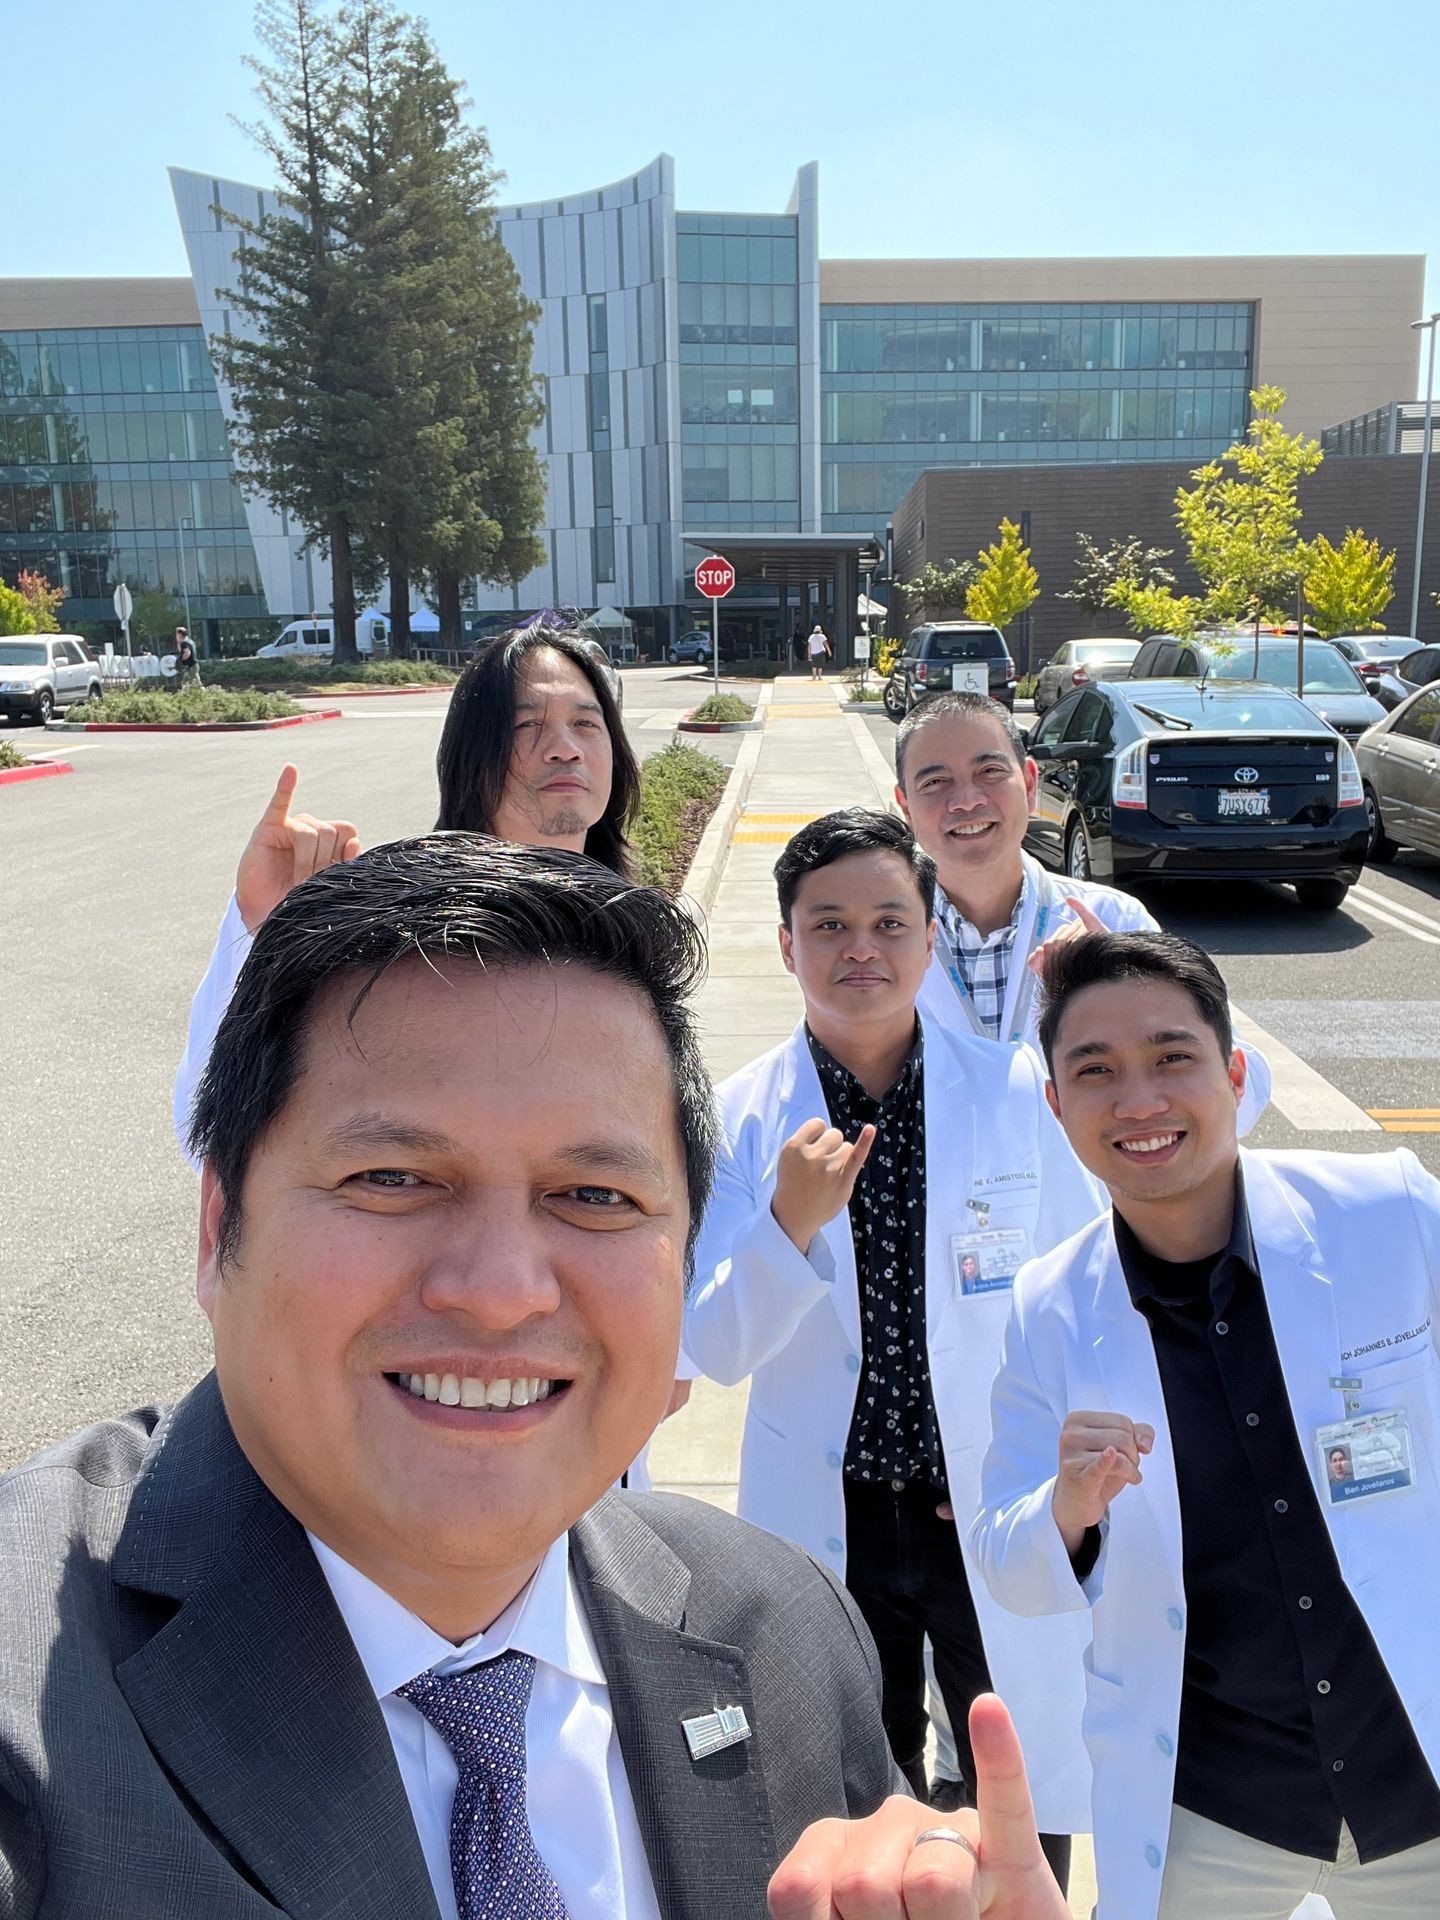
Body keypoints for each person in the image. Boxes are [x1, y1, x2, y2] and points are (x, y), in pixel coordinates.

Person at [0, 836, 1069, 1920]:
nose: (504, 1291)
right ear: (221, 1223)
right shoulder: (29, 1690)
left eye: (595, 1197)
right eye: (393, 1178)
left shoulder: (784, 1637)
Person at [970, 928, 1440, 1920]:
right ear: (1056, 1105)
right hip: (1215, 1812)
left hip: (1423, 1778)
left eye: (1171, 1058)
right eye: (1095, 1072)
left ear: (1232, 1071)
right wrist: (1067, 1507)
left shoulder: (1385, 1214)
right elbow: (1005, 1556)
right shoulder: (1051, 1308)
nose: (1137, 1102)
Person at [684, 808, 1104, 1892]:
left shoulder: (1017, 1094)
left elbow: (1079, 1296)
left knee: (1010, 1781)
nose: (859, 948)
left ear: (928, 937)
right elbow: (711, 1345)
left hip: (984, 1499)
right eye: (828, 925)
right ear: (787, 946)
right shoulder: (741, 1121)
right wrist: (788, 1226)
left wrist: (1049, 1466)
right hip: (835, 1510)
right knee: (850, 1791)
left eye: (887, 920)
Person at [172, 618, 639, 1159]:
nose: (564, 748)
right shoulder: (406, 939)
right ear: (471, 757)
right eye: (525, 726)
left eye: (586, 724)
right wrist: (265, 934)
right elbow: (204, 1131)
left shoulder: (634, 941)